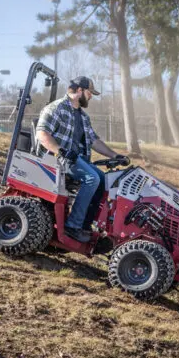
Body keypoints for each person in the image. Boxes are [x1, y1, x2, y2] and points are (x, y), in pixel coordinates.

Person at [34, 76, 127, 242]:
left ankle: (85, 224)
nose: (91, 96)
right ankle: (73, 226)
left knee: (103, 180)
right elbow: (42, 133)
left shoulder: (83, 117)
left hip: (76, 160)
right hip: (57, 160)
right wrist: (59, 151)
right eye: (90, 92)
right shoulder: (56, 108)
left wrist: (115, 155)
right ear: (79, 91)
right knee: (91, 179)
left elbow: (94, 141)